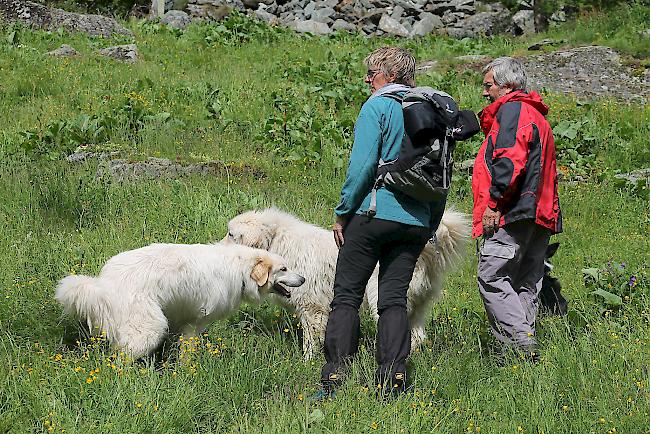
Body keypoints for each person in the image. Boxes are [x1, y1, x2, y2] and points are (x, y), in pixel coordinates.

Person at [314, 47, 446, 399]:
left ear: (387, 75)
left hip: (372, 215)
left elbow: (361, 169)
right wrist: (429, 223)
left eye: (371, 74)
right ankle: (394, 381)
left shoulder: (377, 107)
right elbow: (440, 177)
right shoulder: (431, 112)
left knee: (346, 296)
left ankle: (335, 379)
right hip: (416, 222)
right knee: (393, 300)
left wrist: (343, 213)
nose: (366, 80)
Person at [472, 57, 562, 359]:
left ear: (507, 85)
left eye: (489, 85)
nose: (485, 93)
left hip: (514, 211)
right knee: (525, 282)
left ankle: (521, 349)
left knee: (493, 277)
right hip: (541, 213)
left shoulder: (512, 110)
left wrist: (494, 204)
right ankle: (520, 353)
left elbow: (510, 161)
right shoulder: (537, 115)